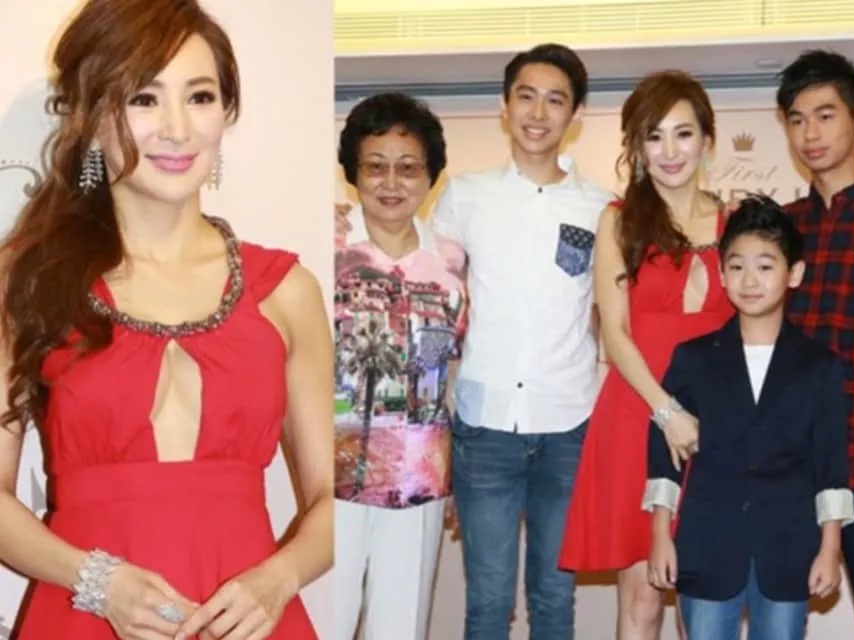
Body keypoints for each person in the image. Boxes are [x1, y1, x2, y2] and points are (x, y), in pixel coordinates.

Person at [0, 2, 332, 639]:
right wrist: (98, 582)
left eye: (200, 96)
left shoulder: (287, 292)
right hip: (83, 616)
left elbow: (330, 499)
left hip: (249, 623)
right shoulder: (28, 282)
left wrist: (281, 576)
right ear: (90, 115)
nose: (178, 129)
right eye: (144, 99)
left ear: (226, 111)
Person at [337, 43, 612, 638]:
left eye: (555, 100)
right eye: (526, 97)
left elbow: (609, 316)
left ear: (576, 114)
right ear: (504, 107)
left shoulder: (601, 208)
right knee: (487, 602)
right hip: (484, 428)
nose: (538, 113)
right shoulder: (464, 197)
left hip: (568, 423)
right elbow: (426, 283)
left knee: (555, 597)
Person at [559, 70, 732, 639]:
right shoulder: (619, 220)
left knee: (706, 599)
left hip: (717, 424)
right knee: (642, 597)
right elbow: (615, 332)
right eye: (654, 136)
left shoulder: (735, 223)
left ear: (707, 139)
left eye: (683, 133)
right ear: (636, 146)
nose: (670, 151)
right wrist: (666, 411)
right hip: (638, 414)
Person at [644, 195, 854, 639]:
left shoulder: (820, 366)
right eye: (737, 266)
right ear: (722, 275)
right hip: (707, 544)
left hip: (789, 549)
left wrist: (830, 547)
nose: (750, 280)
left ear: (794, 273)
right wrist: (661, 535)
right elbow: (664, 457)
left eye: (765, 265)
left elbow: (831, 464)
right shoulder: (693, 359)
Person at [333, 92, 467, 640]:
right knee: (327, 621)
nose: (391, 183)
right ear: (353, 172)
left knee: (401, 628)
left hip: (418, 475)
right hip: (331, 472)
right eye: (376, 167)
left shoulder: (453, 261)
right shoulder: (325, 243)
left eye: (408, 168)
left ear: (431, 175)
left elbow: (455, 373)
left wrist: (457, 472)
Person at [774, 49, 854, 639]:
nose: (811, 134)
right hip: (788, 463)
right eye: (797, 120)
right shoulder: (778, 228)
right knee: (775, 619)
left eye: (826, 115)